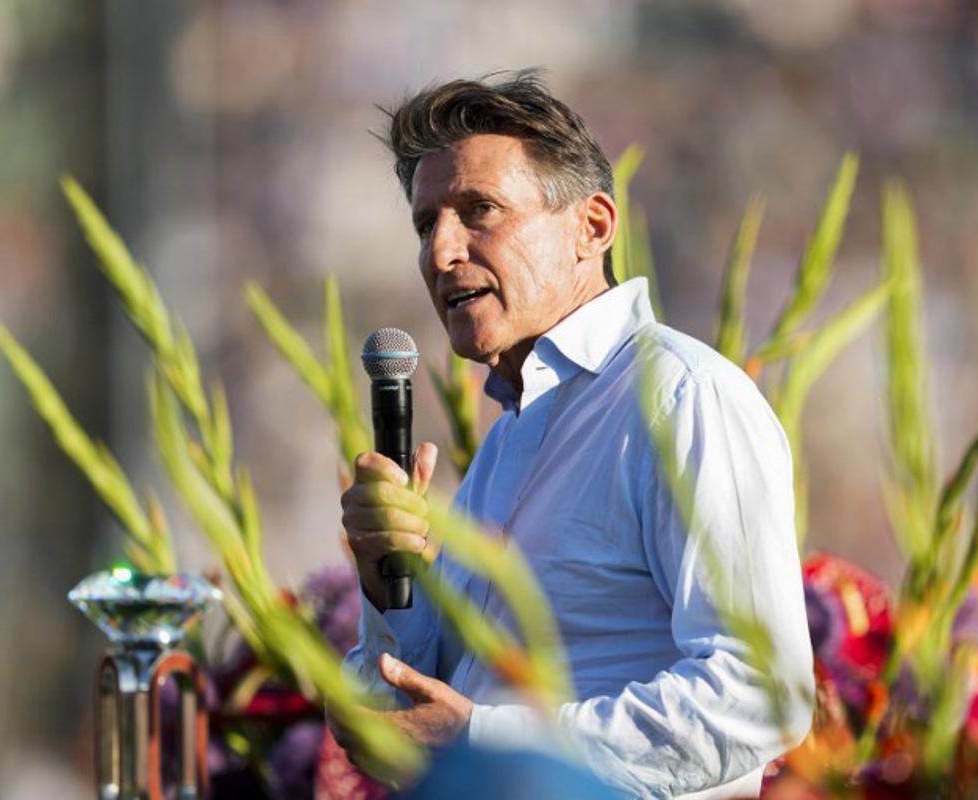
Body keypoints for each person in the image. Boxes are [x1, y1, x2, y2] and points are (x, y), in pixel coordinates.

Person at [339, 70, 813, 799]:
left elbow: (758, 699)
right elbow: (412, 707)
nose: (441, 252)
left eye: (479, 210)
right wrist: (387, 581)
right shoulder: (510, 439)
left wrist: (487, 741)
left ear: (592, 227)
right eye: (426, 223)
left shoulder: (681, 397)